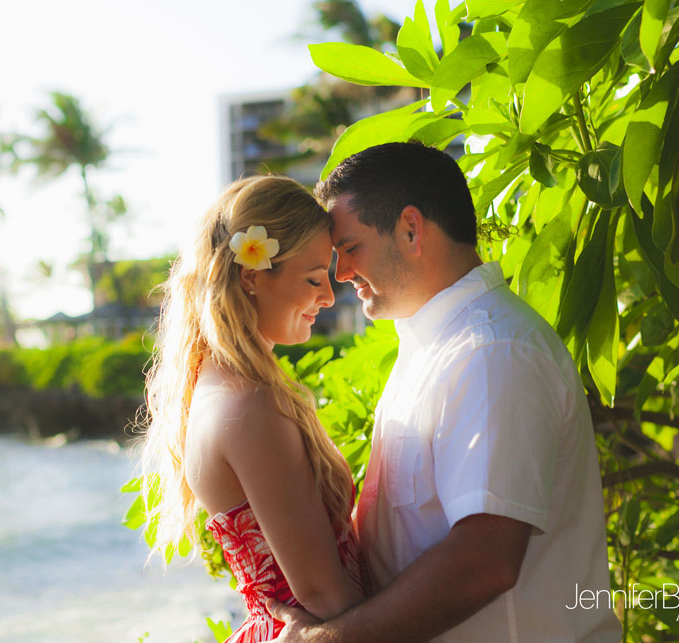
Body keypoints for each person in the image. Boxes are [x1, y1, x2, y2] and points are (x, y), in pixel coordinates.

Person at [267, 142, 622, 642]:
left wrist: (331, 639)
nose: (340, 274)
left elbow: (486, 559)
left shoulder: (494, 351)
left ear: (411, 229)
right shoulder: (433, 346)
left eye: (349, 249)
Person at [138, 175, 366, 643]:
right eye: (313, 278)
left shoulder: (219, 387)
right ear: (252, 275)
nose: (328, 296)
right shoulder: (249, 405)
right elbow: (325, 596)